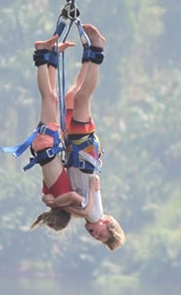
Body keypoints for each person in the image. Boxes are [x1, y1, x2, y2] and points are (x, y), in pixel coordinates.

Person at [45, 23, 126, 251]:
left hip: (77, 151)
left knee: (71, 96)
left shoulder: (91, 215)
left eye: (95, 238)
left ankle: (88, 54)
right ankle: (98, 49)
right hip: (84, 150)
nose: (94, 235)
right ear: (107, 223)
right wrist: (54, 202)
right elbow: (79, 208)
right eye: (100, 235)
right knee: (82, 98)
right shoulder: (93, 213)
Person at [24, 34, 85, 232]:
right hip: (44, 147)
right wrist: (49, 201)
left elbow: (78, 198)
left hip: (47, 144)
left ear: (65, 213)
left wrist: (83, 210)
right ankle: (53, 54)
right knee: (53, 99)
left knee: (48, 98)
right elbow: (46, 195)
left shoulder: (61, 199)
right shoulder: (51, 196)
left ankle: (41, 54)